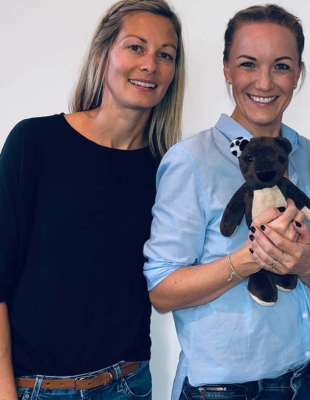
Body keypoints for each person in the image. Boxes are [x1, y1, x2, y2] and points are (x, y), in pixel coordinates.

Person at [143, 4, 310, 400]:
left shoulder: (306, 154)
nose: (264, 82)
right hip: (228, 391)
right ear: (227, 70)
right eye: (248, 64)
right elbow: (162, 290)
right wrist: (250, 258)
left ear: (298, 73)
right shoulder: (191, 161)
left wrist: (305, 264)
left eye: (281, 66)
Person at [0, 0, 185, 398]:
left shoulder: (170, 171)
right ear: (104, 53)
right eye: (135, 47)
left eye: (165, 55)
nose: (150, 64)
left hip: (128, 384)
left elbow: (173, 277)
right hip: (35, 387)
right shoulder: (34, 143)